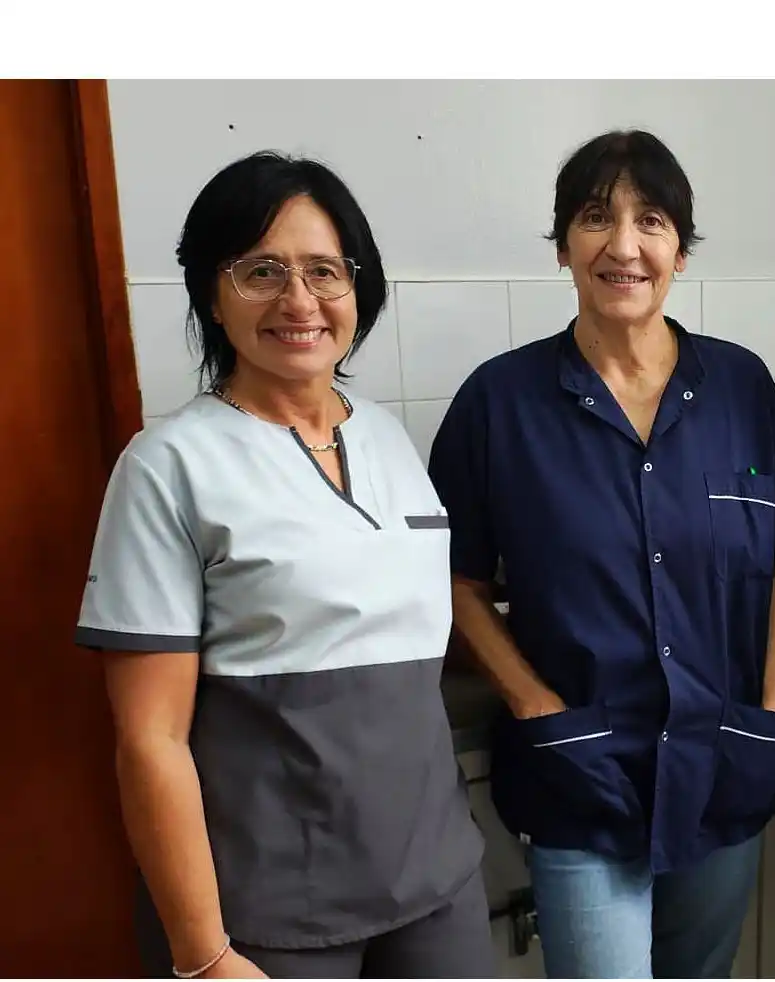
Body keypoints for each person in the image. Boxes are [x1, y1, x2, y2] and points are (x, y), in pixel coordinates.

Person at [75, 151, 495, 979]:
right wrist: (203, 956)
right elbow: (149, 739)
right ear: (211, 292)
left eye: (323, 271)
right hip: (269, 915)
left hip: (435, 883)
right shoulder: (169, 465)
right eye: (261, 270)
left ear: (356, 289)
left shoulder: (384, 436)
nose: (298, 301)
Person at [427, 129, 775, 979]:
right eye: (597, 217)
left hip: (722, 758)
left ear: (681, 247)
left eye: (652, 220)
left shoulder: (740, 387)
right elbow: (452, 580)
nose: (624, 245)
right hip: (582, 768)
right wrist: (531, 704)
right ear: (564, 244)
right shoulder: (501, 401)